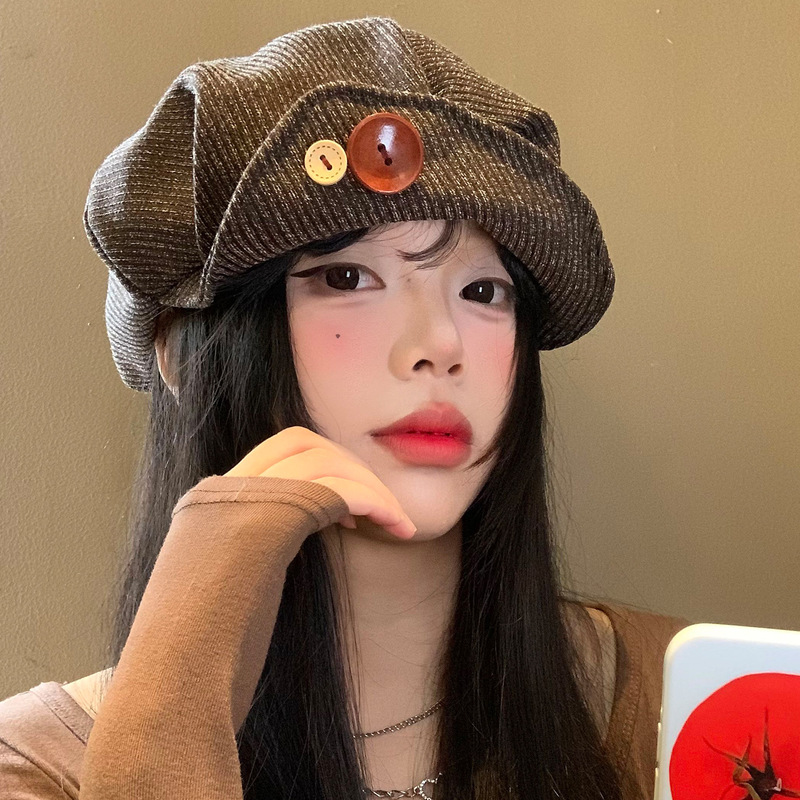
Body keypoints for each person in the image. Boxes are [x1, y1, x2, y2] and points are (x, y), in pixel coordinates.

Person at [0, 16, 689, 800]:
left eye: (482, 290)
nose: (439, 344)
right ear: (182, 355)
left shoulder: (696, 705)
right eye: (347, 278)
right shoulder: (34, 766)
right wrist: (183, 673)